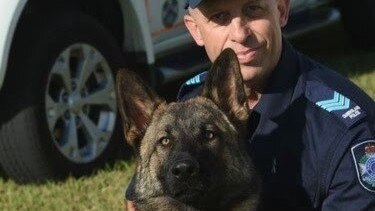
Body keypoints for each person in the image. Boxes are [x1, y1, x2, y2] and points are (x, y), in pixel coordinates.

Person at [126, 0, 375, 210]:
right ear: (195, 30)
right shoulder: (192, 97)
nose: (240, 33)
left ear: (281, 9)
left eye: (253, 9)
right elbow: (137, 198)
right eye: (220, 17)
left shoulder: (344, 133)